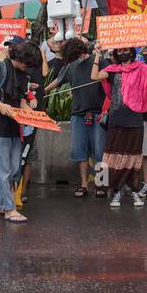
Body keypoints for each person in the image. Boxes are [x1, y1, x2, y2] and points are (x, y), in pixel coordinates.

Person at [0, 41, 41, 223]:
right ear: (20, 57)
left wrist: (32, 114)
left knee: (12, 170)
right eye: (27, 63)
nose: (28, 68)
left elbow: (20, 99)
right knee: (2, 170)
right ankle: (8, 208)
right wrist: (0, 106)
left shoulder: (22, 74)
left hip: (13, 128)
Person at [91, 43, 147, 208]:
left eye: (125, 50)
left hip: (135, 120)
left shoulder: (141, 68)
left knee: (133, 158)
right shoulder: (113, 70)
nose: (123, 52)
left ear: (131, 52)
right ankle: (115, 191)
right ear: (115, 53)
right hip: (116, 119)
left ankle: (134, 190)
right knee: (114, 158)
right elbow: (94, 76)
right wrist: (97, 55)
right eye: (119, 50)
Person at [49, 37, 106, 198]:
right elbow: (58, 81)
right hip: (78, 114)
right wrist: (43, 91)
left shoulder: (98, 61)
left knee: (100, 151)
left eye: (77, 56)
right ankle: (83, 184)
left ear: (81, 51)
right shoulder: (71, 65)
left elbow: (111, 76)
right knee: (80, 152)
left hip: (98, 114)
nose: (76, 60)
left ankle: (102, 184)